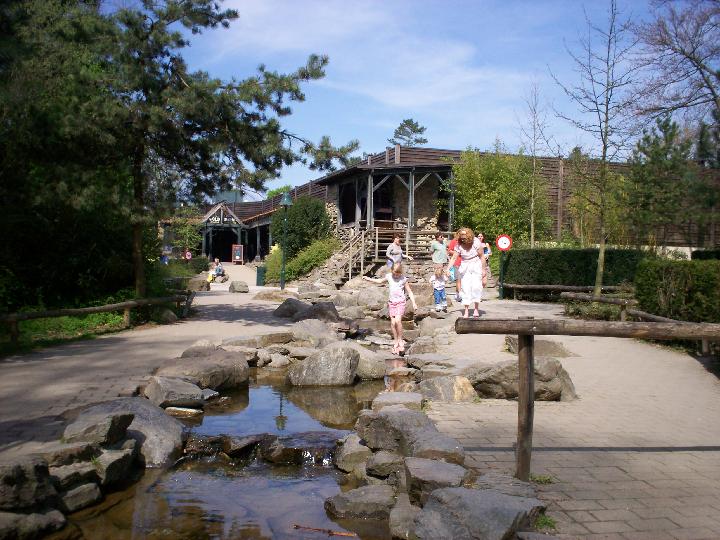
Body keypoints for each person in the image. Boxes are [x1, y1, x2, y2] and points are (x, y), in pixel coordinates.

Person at [363, 263, 417, 355]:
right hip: (392, 303)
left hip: (400, 302)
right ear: (391, 271)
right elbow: (380, 281)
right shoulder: (389, 276)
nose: (396, 276)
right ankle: (395, 340)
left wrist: (414, 303)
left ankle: (400, 339)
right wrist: (369, 279)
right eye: (394, 274)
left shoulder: (403, 279)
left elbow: (410, 292)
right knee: (392, 323)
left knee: (398, 321)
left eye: (398, 274)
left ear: (401, 272)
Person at [447, 227, 488, 319]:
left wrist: (483, 270)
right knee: (465, 287)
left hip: (476, 264)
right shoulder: (459, 245)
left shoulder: (476, 242)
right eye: (461, 235)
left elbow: (482, 256)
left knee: (476, 286)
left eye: (464, 235)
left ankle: (476, 308)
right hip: (465, 265)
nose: (462, 237)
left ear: (468, 235)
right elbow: (454, 258)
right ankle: (466, 310)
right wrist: (448, 268)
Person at [446, 232, 462, 302]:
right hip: (457, 262)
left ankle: (458, 294)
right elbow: (449, 251)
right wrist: (457, 253)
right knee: (458, 279)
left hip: (464, 263)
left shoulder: (464, 242)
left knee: (462, 280)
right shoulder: (453, 241)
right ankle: (460, 294)